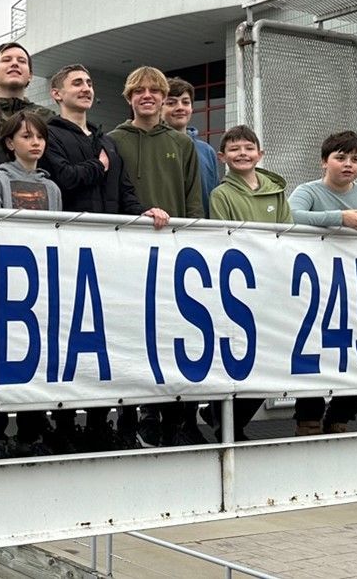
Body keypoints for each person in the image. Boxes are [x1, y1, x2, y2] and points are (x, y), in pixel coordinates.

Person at [40, 64, 153, 452]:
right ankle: (65, 424)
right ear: (57, 93)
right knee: (70, 338)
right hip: (70, 253)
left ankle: (103, 422)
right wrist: (97, 166)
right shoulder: (50, 135)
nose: (86, 88)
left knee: (110, 338)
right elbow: (64, 179)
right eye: (77, 83)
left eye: (89, 82)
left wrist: (143, 213)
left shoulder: (107, 141)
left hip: (111, 257)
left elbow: (124, 190)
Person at [107, 67, 203, 448]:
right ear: (129, 97)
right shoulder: (113, 140)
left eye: (154, 91)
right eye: (139, 91)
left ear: (163, 98)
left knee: (173, 331)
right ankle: (137, 415)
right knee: (133, 333)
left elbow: (193, 198)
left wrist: (193, 239)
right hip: (129, 255)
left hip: (174, 253)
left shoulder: (182, 144)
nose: (147, 96)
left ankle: (179, 418)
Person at [287, 130, 357, 436]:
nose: (348, 164)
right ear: (324, 162)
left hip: (354, 289)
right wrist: (339, 218)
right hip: (312, 287)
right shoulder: (308, 191)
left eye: (355, 159)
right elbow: (290, 217)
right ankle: (308, 418)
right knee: (312, 350)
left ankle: (341, 414)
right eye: (340, 157)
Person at [0, 110, 61, 458]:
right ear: (10, 143)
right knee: (0, 356)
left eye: (40, 137)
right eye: (27, 136)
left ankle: (31, 430)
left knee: (37, 355)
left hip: (41, 278)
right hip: (7, 278)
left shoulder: (52, 187)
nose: (35, 142)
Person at [207, 125, 292, 442]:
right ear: (222, 157)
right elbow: (223, 237)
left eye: (248, 148)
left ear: (260, 154)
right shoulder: (221, 195)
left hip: (272, 286)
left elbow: (288, 233)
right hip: (237, 285)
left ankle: (230, 417)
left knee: (271, 357)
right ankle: (226, 424)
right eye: (234, 149)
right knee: (236, 354)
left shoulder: (277, 193)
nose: (242, 153)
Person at [163, 77, 220, 218]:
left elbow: (213, 195)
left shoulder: (207, 151)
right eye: (171, 103)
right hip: (164, 227)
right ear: (159, 107)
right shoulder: (152, 146)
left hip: (201, 227)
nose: (180, 107)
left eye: (185, 102)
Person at [0, 41, 56, 143]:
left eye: (22, 61)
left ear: (30, 76)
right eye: (6, 60)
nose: (14, 63)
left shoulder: (48, 117)